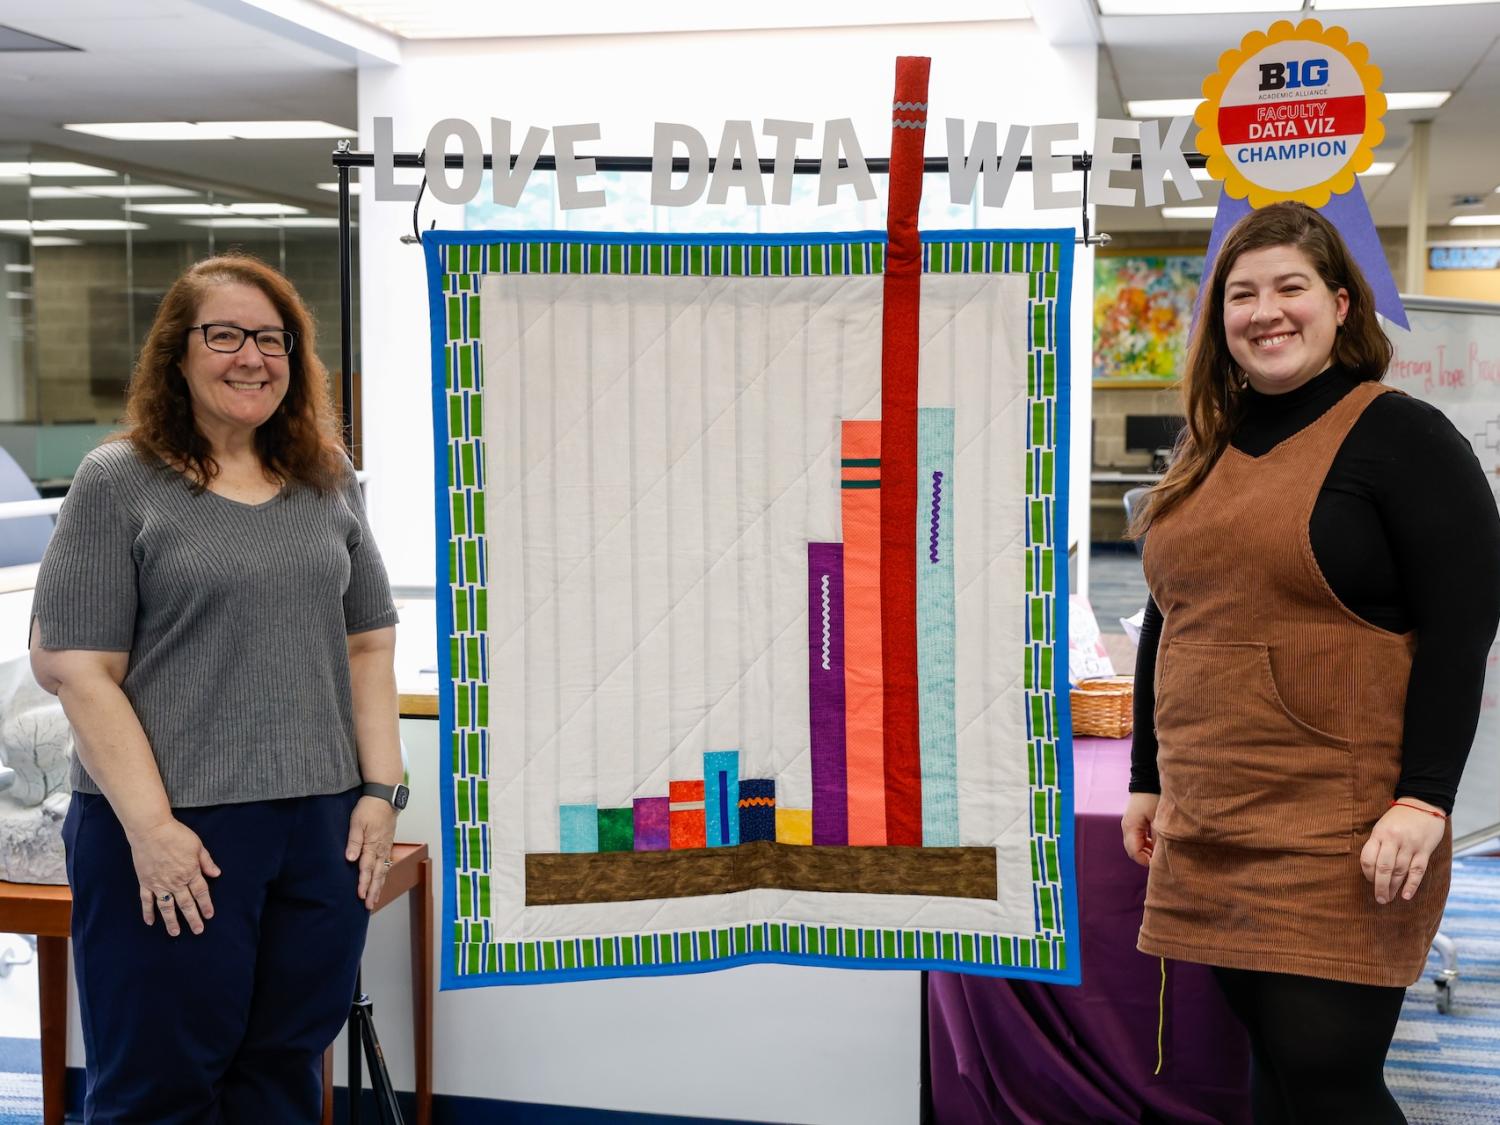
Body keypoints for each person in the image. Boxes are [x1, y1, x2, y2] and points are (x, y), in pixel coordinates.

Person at [1120, 201, 1500, 1124]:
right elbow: (1171, 619)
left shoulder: (1404, 437)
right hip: (1214, 812)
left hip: (1344, 826)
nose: (1266, 310)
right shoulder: (1204, 444)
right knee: (1275, 1066)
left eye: (1291, 287)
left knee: (1329, 1076)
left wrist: (1425, 797)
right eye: (1242, 294)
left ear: (1339, 303)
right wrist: (1146, 775)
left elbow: (1464, 628)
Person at [28, 254, 405, 1123]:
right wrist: (152, 830)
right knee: (159, 1086)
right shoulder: (118, 480)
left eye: (272, 338)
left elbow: (368, 644)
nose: (251, 357)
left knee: (281, 1071)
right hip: (175, 831)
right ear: (178, 352)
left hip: (318, 830)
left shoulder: (326, 476)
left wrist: (381, 793)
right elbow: (77, 669)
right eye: (225, 334)